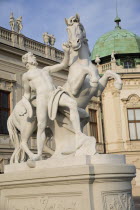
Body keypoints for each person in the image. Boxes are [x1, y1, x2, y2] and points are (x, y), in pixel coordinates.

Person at [22, 43, 86, 160]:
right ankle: (39, 154)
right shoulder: (26, 76)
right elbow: (26, 94)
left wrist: (66, 52)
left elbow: (64, 64)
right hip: (42, 98)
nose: (35, 57)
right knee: (41, 125)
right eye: (32, 56)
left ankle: (78, 134)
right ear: (27, 61)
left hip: (54, 94)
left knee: (72, 104)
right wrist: (27, 106)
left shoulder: (45, 70)